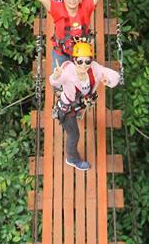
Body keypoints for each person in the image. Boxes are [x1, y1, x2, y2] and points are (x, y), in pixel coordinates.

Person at [12, 0, 132, 68]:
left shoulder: (85, 7)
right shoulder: (57, 9)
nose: (72, 0)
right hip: (61, 52)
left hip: (81, 52)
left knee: (81, 81)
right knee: (59, 81)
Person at [50, 40, 122, 171]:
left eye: (87, 61)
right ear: (74, 60)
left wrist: (108, 79)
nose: (84, 65)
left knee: (79, 110)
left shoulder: (94, 68)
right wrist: (56, 75)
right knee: (74, 135)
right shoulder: (67, 71)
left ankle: (78, 114)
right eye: (80, 62)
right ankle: (72, 158)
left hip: (81, 104)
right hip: (67, 109)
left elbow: (114, 76)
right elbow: (54, 81)